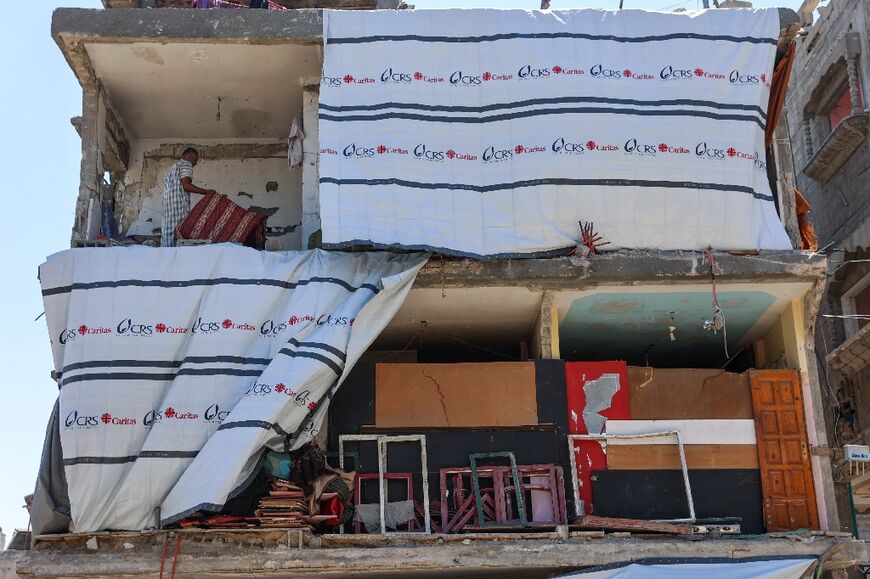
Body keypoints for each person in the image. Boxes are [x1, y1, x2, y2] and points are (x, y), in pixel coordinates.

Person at [161, 147, 217, 247]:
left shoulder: (172, 168)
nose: (195, 163)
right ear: (189, 156)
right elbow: (186, 185)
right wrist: (205, 192)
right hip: (179, 207)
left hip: (168, 207)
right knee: (179, 234)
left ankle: (166, 255)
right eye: (195, 160)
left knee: (168, 233)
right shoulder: (186, 164)